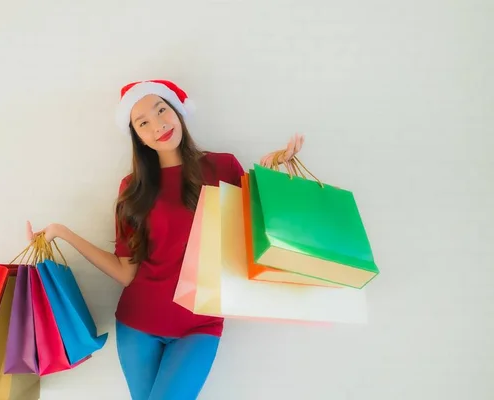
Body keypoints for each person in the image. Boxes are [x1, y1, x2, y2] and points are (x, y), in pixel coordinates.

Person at [27, 79, 304, 400]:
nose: (158, 125)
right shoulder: (131, 190)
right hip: (138, 325)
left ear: (178, 111)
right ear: (138, 137)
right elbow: (125, 272)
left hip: (200, 326)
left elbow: (257, 229)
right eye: (143, 123)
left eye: (162, 110)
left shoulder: (222, 167)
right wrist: (64, 233)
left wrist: (271, 172)